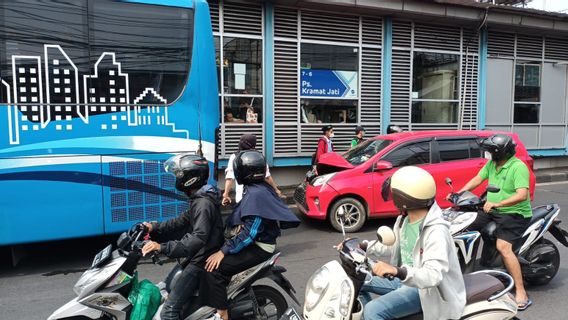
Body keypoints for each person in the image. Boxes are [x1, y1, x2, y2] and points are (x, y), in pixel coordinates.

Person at [202, 150, 300, 320]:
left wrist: (223, 251)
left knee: (214, 270)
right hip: (257, 242)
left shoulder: (256, 194)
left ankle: (222, 314)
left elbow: (250, 233)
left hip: (260, 247)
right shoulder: (257, 188)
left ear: (243, 172)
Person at [361, 166, 466, 320]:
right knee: (356, 281)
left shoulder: (436, 231)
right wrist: (364, 247)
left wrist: (398, 271)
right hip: (404, 280)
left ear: (403, 198)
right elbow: (394, 247)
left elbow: (433, 275)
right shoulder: (404, 219)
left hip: (425, 291)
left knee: (373, 310)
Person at [451, 133, 533, 311]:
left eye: (491, 152)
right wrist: (459, 193)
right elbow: (478, 179)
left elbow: (522, 195)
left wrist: (498, 203)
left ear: (500, 152)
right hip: (491, 209)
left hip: (514, 213)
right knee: (461, 225)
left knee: (504, 248)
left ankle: (521, 291)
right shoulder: (493, 164)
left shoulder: (518, 167)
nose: (488, 155)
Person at [140, 154, 224, 320]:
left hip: (202, 261)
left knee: (168, 311)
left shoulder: (203, 203)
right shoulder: (199, 198)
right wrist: (153, 226)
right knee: (166, 286)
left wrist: (162, 247)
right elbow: (181, 221)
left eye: (178, 175)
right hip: (197, 256)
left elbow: (198, 238)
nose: (176, 179)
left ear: (189, 178)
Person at [222, 134, 281, 206]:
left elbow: (230, 178)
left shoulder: (235, 156)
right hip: (260, 195)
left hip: (242, 196)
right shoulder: (259, 156)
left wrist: (226, 194)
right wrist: (276, 190)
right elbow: (267, 177)